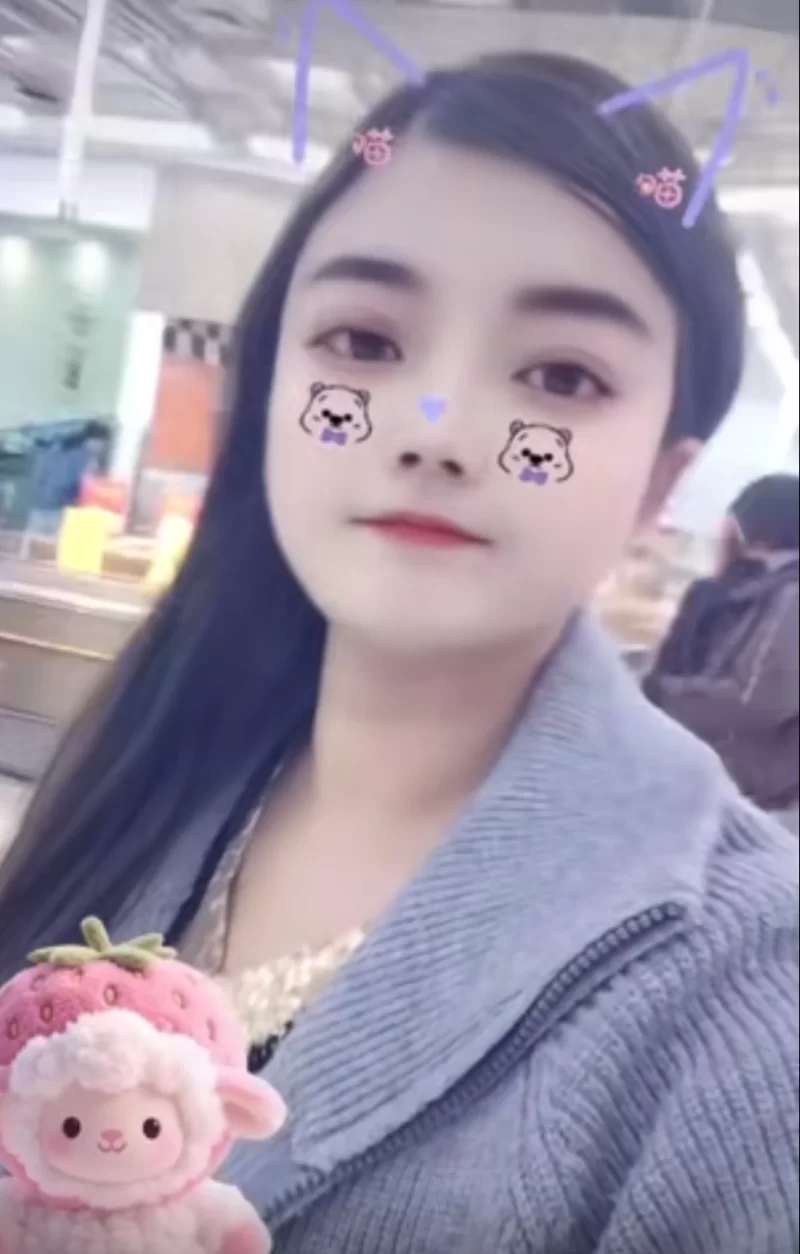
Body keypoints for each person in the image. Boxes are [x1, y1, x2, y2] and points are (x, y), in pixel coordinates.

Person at [0, 52, 797, 1253]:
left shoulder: (747, 992)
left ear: (658, 483)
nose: (438, 432)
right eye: (364, 342)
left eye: (561, 374)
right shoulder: (151, 764)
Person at [645, 474, 799, 831]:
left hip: (757, 801)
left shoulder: (791, 596)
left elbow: (754, 699)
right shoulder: (755, 586)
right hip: (736, 787)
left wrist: (657, 695)